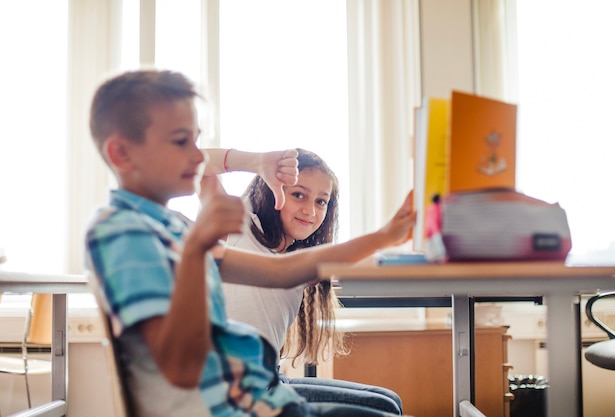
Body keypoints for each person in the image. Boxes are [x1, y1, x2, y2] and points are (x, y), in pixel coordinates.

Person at [85, 69, 416, 417]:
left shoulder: (168, 229)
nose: (199, 157)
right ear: (122, 153)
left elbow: (281, 271)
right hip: (228, 404)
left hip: (251, 391)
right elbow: (177, 368)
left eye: (196, 142)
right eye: (182, 142)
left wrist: (385, 236)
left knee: (387, 406)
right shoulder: (124, 234)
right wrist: (202, 241)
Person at [203, 148, 402, 414]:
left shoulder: (302, 260)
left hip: (270, 379)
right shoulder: (239, 227)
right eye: (299, 195)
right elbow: (199, 165)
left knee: (388, 401)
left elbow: (367, 261)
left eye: (321, 201)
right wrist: (256, 163)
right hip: (234, 390)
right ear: (272, 189)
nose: (310, 210)